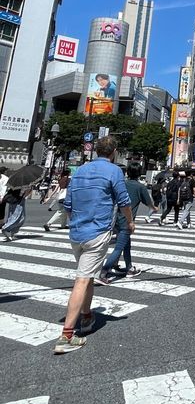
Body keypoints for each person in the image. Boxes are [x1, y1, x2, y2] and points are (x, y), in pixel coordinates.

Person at [55, 136, 133, 354]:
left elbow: (68, 204)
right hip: (97, 231)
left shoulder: (80, 171)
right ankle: (67, 335)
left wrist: (77, 220)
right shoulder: (114, 171)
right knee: (82, 279)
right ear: (114, 152)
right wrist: (130, 221)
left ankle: (87, 316)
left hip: (76, 231)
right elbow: (124, 201)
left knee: (86, 274)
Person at [97, 162, 156, 283]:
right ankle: (103, 272)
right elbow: (148, 203)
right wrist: (154, 208)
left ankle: (129, 268)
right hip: (127, 221)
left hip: (116, 219)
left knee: (126, 245)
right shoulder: (140, 187)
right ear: (140, 173)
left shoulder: (122, 183)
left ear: (127, 173)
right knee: (118, 248)